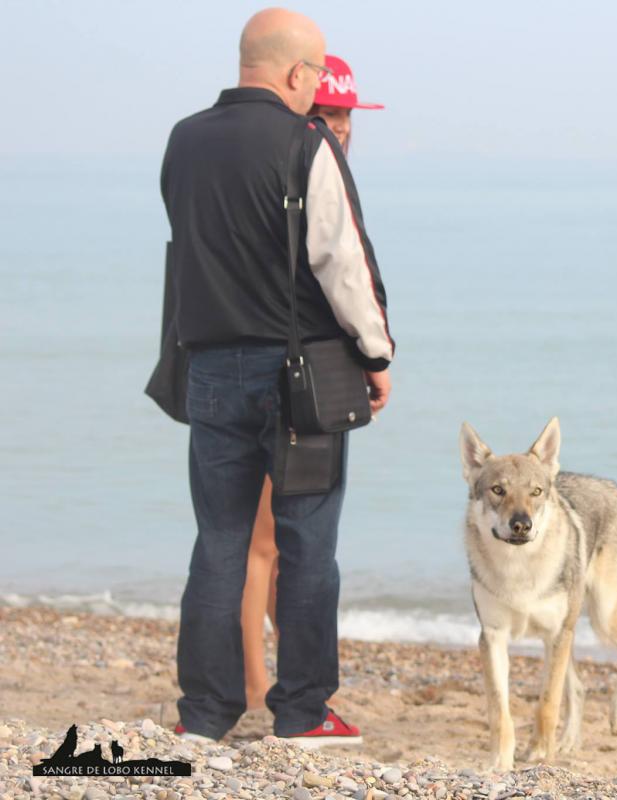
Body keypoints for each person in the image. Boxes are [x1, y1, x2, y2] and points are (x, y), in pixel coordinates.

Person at [161, 8, 393, 746]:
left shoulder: (184, 141)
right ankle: (301, 713)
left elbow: (188, 244)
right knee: (307, 546)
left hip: (209, 367)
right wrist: (377, 355)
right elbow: (339, 260)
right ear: (298, 74)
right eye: (318, 73)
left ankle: (203, 714)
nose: (319, 85)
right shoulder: (307, 141)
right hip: (300, 377)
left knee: (220, 543)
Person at [240, 52, 385, 712]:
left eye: (348, 116)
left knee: (271, 544)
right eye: (329, 114)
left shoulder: (293, 169)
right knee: (263, 544)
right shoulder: (294, 167)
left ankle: (271, 681)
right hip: (289, 377)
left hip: (271, 369)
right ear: (301, 107)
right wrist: (376, 355)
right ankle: (252, 686)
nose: (342, 130)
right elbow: (337, 274)